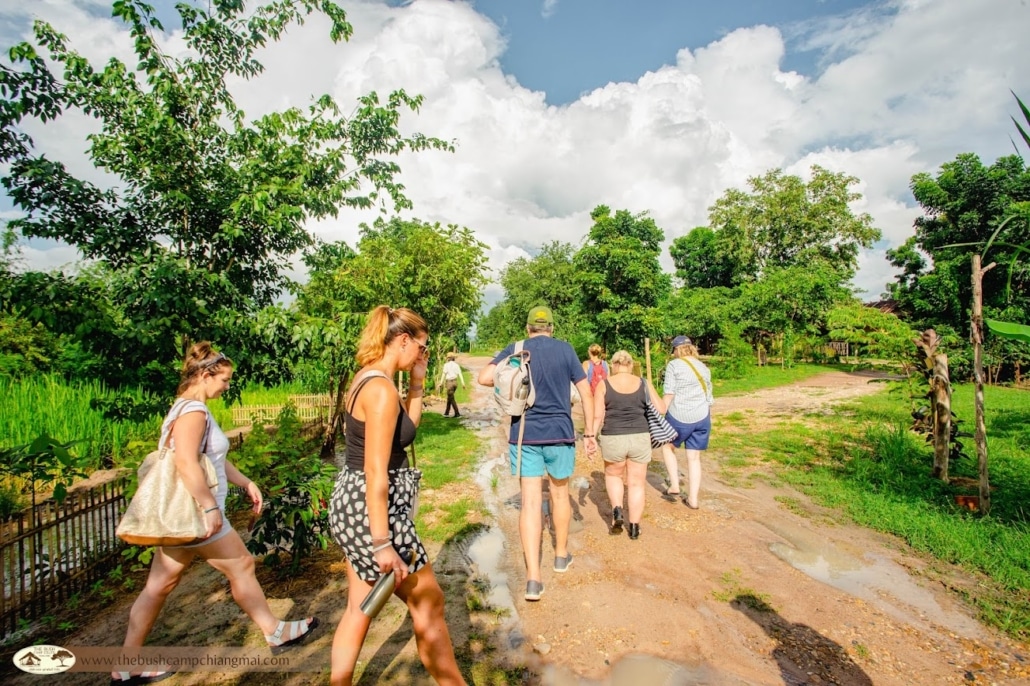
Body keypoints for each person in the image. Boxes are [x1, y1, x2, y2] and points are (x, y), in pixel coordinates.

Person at [112, 343, 318, 685]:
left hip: (183, 518)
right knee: (242, 565)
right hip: (198, 514)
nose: (227, 386)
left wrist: (245, 482)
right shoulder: (193, 411)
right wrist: (210, 507)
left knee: (159, 586)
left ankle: (126, 664)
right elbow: (186, 462)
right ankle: (274, 630)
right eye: (224, 380)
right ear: (206, 375)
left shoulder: (185, 407)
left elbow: (212, 459)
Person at [328, 306, 466, 686]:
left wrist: (418, 383)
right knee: (429, 603)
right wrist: (382, 543)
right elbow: (376, 471)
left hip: (353, 505)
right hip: (374, 512)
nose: (423, 354)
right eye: (422, 347)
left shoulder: (370, 379)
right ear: (403, 340)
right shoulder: (380, 390)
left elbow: (404, 432)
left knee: (359, 608)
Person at [477, 304, 596, 601]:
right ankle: (561, 556)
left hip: (524, 435)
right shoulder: (566, 350)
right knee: (560, 495)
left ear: (528, 328)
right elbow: (586, 392)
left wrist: (512, 369)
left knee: (530, 504)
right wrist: (590, 433)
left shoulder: (517, 349)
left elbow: (484, 378)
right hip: (561, 433)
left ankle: (533, 579)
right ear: (551, 328)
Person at [592, 350, 666, 540]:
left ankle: (617, 511)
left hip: (613, 437)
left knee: (613, 475)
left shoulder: (604, 384)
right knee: (636, 484)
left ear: (613, 365)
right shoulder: (644, 383)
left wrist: (590, 436)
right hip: (640, 436)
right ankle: (634, 527)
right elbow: (661, 408)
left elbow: (598, 416)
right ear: (631, 365)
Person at [659, 335, 714, 509]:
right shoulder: (703, 367)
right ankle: (693, 499)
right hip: (702, 416)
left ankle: (675, 485)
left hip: (680, 415)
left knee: (668, 446)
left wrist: (661, 411)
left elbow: (669, 393)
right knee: (694, 457)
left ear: (676, 350)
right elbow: (709, 397)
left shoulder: (674, 365)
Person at [438, 351, 466, 418]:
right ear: (453, 358)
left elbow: (444, 374)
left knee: (451, 398)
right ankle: (446, 413)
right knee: (449, 397)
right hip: (455, 382)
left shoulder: (446, 365)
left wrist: (440, 383)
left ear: (448, 358)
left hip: (449, 383)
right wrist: (463, 383)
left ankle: (457, 413)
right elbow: (460, 374)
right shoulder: (456, 365)